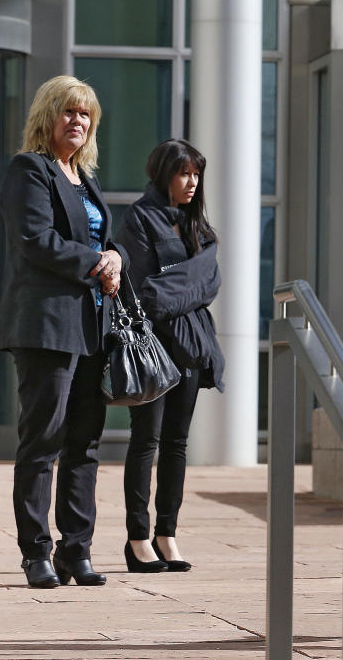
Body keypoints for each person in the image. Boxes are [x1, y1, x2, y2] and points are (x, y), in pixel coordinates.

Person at [0, 75, 127, 589]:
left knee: (84, 443)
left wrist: (116, 255)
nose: (77, 121)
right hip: (46, 325)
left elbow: (108, 244)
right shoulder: (31, 170)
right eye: (68, 112)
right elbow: (36, 240)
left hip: (93, 327)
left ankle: (78, 549)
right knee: (42, 440)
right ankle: (36, 552)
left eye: (85, 115)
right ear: (47, 117)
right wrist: (99, 260)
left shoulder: (86, 179)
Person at [117, 139, 225, 573]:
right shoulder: (139, 219)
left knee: (177, 444)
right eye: (184, 173)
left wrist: (177, 283)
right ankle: (138, 538)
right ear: (164, 174)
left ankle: (167, 534)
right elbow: (144, 292)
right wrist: (190, 285)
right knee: (147, 442)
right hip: (154, 350)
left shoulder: (198, 226)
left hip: (192, 350)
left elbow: (211, 281)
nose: (192, 182)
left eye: (197, 174)